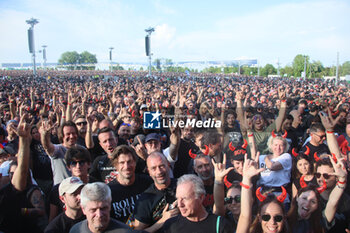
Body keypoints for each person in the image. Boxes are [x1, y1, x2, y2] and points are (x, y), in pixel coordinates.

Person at [161, 174, 233, 233]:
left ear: (201, 197)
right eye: (178, 198)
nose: (180, 204)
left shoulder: (220, 224)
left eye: (185, 199)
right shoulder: (171, 226)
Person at [69, 182, 141, 233]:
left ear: (110, 206)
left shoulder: (126, 231)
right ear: (83, 209)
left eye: (103, 208)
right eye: (93, 210)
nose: (99, 214)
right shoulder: (76, 230)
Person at [133, 152, 179, 232]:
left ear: (168, 165)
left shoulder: (182, 186)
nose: (159, 172)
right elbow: (138, 231)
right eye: (153, 168)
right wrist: (162, 221)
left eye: (161, 166)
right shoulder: (145, 199)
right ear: (149, 172)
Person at [108, 145, 153, 224]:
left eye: (129, 162)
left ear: (135, 162)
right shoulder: (109, 191)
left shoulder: (147, 182)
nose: (127, 166)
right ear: (116, 165)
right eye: (122, 163)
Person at [40, 120, 80, 185]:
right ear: (62, 135)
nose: (72, 136)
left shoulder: (82, 150)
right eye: (68, 134)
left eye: (73, 133)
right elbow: (47, 146)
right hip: (62, 191)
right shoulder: (58, 150)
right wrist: (44, 135)